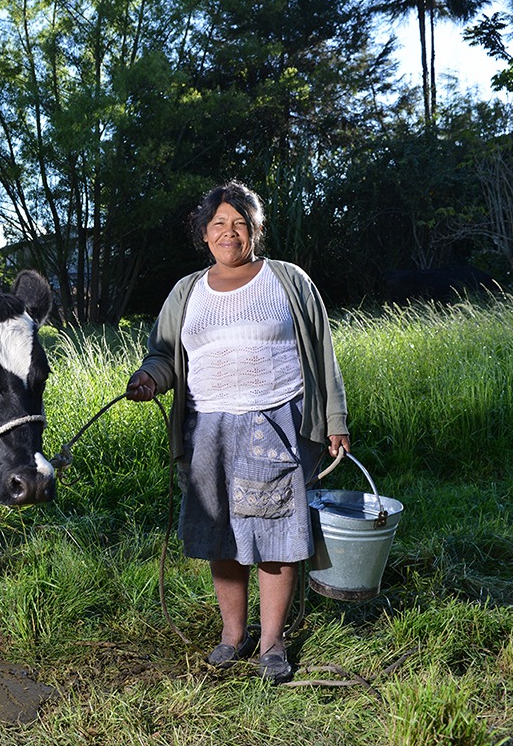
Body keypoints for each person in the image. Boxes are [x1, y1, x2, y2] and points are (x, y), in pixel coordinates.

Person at [125, 180, 350, 683]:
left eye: (241, 223)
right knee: (222, 535)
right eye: (219, 224)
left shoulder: (288, 281)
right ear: (204, 234)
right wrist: (148, 379)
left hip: (276, 422)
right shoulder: (186, 292)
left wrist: (336, 420)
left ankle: (271, 642)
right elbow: (163, 356)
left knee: (276, 534)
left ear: (256, 231)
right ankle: (233, 635)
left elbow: (323, 354)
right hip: (207, 429)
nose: (230, 233)